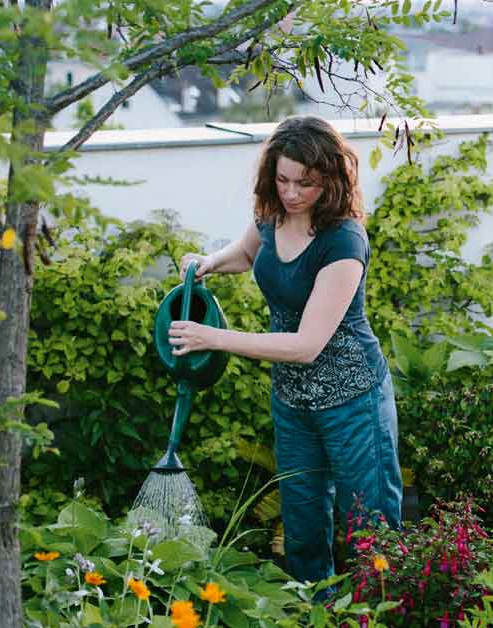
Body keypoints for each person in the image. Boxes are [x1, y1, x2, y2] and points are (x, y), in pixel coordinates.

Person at [169, 115, 401, 584]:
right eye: (282, 179)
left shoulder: (343, 240)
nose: (292, 193)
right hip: (294, 403)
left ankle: (377, 613)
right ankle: (314, 611)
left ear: (331, 179)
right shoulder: (272, 215)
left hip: (353, 401)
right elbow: (249, 253)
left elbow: (306, 345)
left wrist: (211, 337)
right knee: (302, 529)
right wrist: (209, 262)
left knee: (369, 529)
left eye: (305, 183)